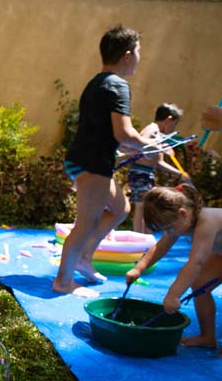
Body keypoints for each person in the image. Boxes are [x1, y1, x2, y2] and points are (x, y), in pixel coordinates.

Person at [52, 25, 155, 298]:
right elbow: (124, 132)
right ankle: (63, 281)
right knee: (85, 223)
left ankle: (85, 257)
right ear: (128, 55)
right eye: (139, 53)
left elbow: (105, 133)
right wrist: (152, 145)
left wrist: (128, 148)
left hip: (87, 160)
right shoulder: (119, 86)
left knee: (120, 208)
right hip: (92, 164)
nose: (139, 59)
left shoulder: (97, 82)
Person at [126, 184, 222, 349]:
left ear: (183, 214)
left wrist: (173, 295)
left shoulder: (207, 220)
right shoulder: (180, 221)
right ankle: (208, 337)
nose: (170, 232)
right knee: (199, 284)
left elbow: (196, 262)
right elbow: (161, 246)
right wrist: (139, 268)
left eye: (169, 228)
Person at [128, 103, 190, 233]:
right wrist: (160, 148)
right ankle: (140, 236)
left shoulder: (158, 135)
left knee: (146, 205)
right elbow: (142, 147)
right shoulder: (153, 129)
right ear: (168, 120)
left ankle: (144, 234)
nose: (173, 128)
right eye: (174, 124)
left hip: (145, 173)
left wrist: (179, 173)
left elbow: (158, 163)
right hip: (140, 172)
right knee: (142, 205)